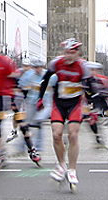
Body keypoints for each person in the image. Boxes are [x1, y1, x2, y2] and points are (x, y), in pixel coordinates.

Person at [39, 38, 91, 184]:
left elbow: (90, 87)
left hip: (75, 104)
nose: (68, 56)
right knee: (56, 134)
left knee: (73, 135)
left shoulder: (82, 66)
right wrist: (40, 99)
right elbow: (44, 81)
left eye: (72, 53)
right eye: (66, 53)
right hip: (59, 103)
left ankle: (72, 170)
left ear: (77, 53)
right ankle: (61, 164)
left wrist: (92, 106)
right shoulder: (56, 63)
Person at [18, 57, 48, 163]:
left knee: (39, 124)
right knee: (26, 124)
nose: (37, 70)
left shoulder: (46, 75)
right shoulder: (29, 74)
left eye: (39, 67)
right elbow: (21, 86)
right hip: (31, 102)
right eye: (35, 67)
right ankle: (22, 146)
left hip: (42, 103)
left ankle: (38, 146)